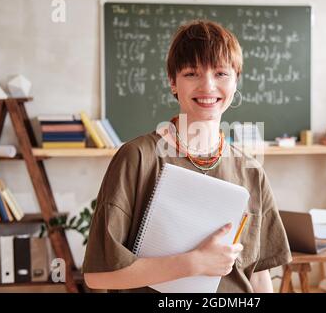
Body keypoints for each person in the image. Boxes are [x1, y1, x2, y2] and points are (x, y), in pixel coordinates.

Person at [82, 20, 291, 293]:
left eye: (220, 74)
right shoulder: (138, 158)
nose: (207, 86)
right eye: (192, 73)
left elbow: (259, 275)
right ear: (173, 82)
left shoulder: (250, 170)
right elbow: (99, 276)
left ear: (236, 80)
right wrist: (194, 263)